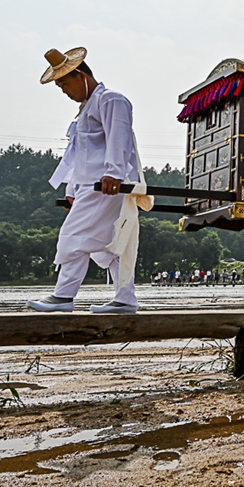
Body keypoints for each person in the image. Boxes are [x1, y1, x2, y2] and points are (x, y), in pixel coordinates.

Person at [27, 47, 148, 315]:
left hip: (105, 186)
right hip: (90, 186)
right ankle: (125, 299)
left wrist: (114, 173)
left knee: (73, 236)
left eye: (64, 84)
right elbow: (79, 156)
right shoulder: (85, 110)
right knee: (111, 243)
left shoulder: (110, 100)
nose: (64, 91)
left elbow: (120, 138)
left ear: (80, 76)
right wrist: (72, 189)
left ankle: (63, 296)